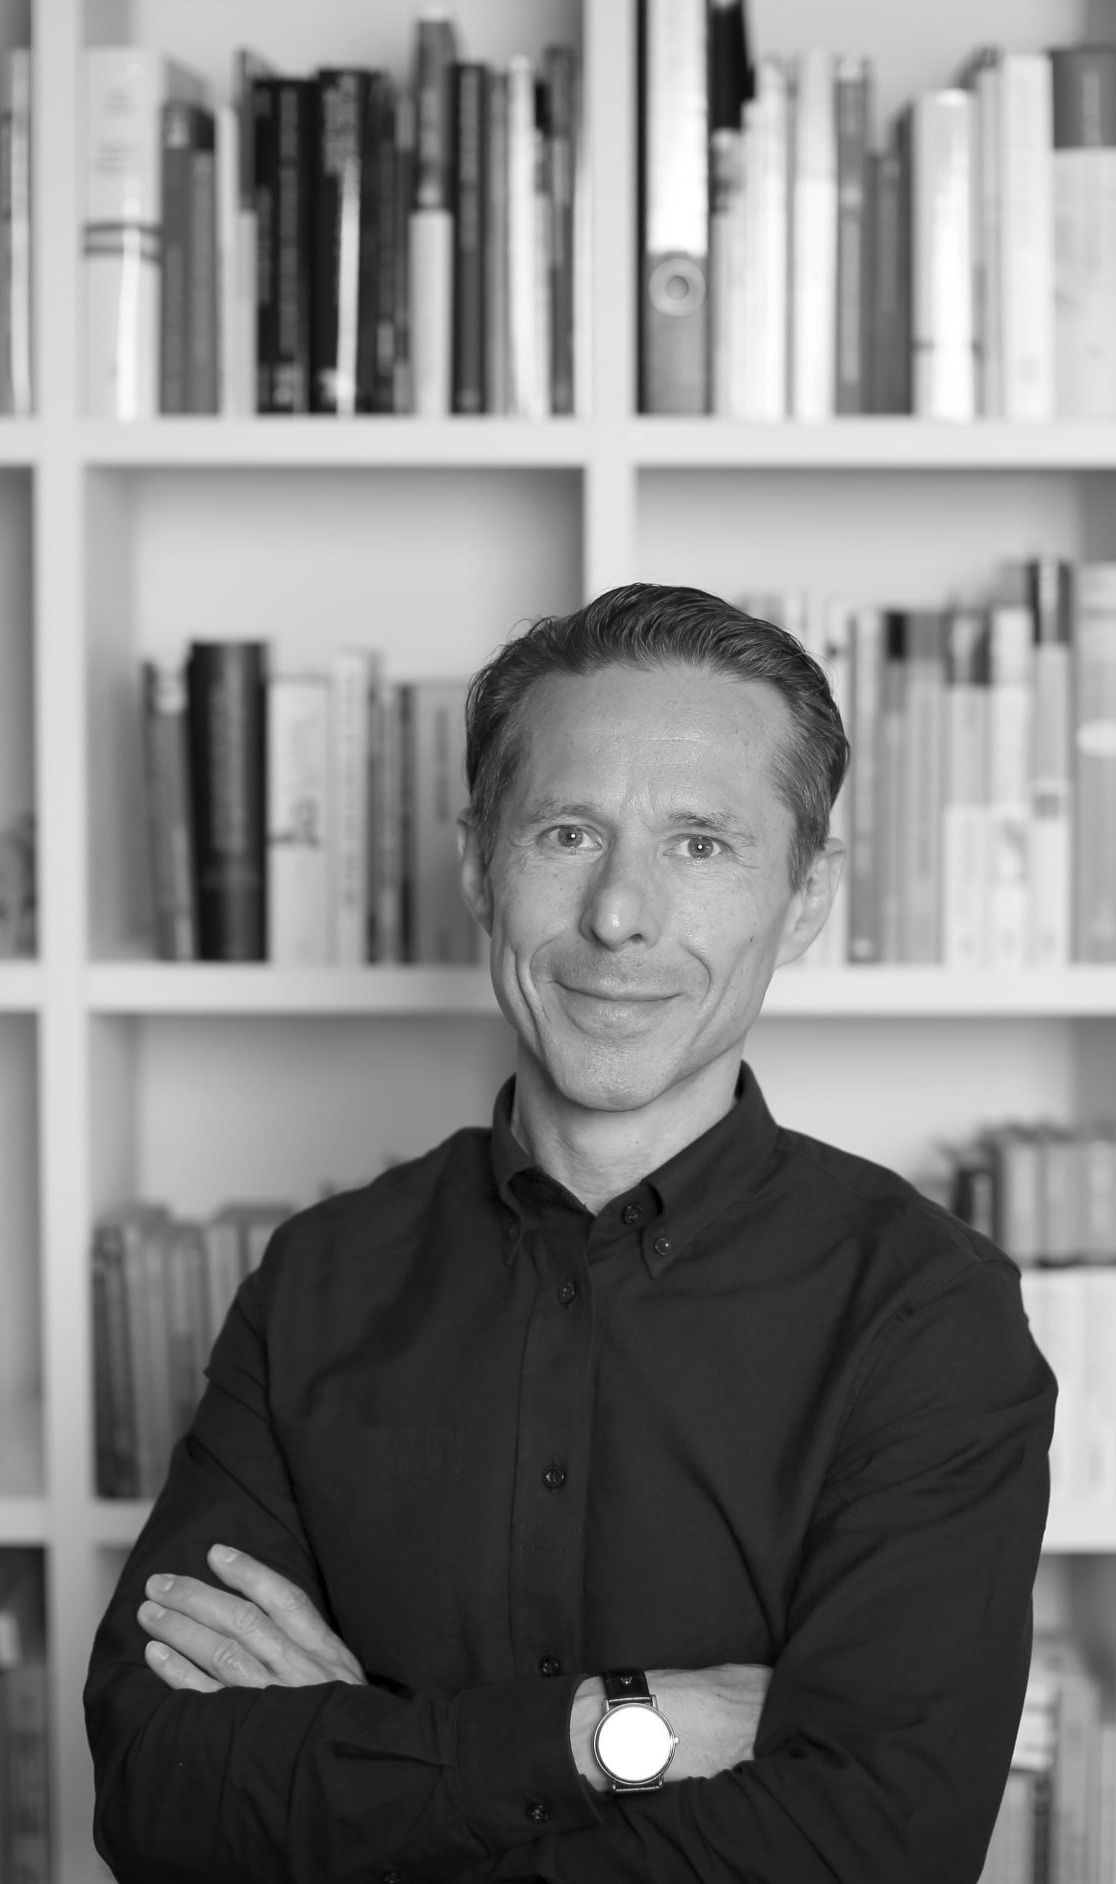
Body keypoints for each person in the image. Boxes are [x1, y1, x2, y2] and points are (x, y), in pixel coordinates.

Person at [84, 584, 1056, 1883]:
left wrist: (365, 1763)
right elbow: (160, 1792)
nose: (617, 914)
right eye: (566, 833)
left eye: (700, 844)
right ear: (479, 864)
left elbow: (877, 1849)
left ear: (806, 897)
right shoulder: (321, 1279)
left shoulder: (927, 1314)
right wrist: (610, 1734)